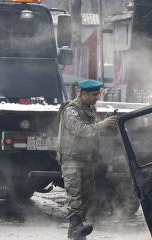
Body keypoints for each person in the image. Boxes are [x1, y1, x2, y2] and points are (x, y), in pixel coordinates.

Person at [57, 80, 117, 240]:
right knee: (74, 193)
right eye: (93, 95)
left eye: (98, 94)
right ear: (83, 93)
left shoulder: (89, 110)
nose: (97, 97)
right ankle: (76, 226)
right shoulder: (71, 110)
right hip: (72, 158)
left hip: (87, 159)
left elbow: (94, 132)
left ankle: (76, 231)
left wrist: (107, 125)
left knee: (87, 195)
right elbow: (80, 130)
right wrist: (102, 124)